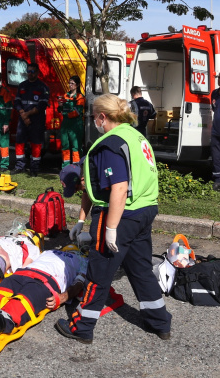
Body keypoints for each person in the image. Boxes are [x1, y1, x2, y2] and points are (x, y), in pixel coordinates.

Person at [55, 93, 171, 344]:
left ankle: (82, 326)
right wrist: (80, 220)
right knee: (140, 268)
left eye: (94, 117)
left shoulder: (109, 144)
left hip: (120, 213)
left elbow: (118, 187)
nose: (93, 122)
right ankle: (159, 321)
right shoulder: (136, 136)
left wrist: (110, 228)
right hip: (145, 209)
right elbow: (94, 186)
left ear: (101, 117)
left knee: (99, 271)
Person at [13, 63, 50, 177]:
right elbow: (17, 102)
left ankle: (34, 168)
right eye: (28, 71)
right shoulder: (22, 85)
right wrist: (22, 114)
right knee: (19, 142)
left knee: (36, 144)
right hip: (23, 120)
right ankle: (20, 166)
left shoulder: (43, 87)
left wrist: (27, 115)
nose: (30, 74)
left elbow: (42, 105)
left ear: (37, 73)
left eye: (32, 71)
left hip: (36, 121)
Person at [58, 75, 85, 168]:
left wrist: (65, 114)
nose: (70, 85)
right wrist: (60, 105)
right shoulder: (65, 95)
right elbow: (60, 109)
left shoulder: (80, 97)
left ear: (77, 85)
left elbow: (77, 112)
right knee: (65, 146)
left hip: (76, 125)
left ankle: (76, 167)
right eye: (69, 83)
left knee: (76, 147)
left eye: (72, 83)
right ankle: (65, 166)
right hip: (65, 125)